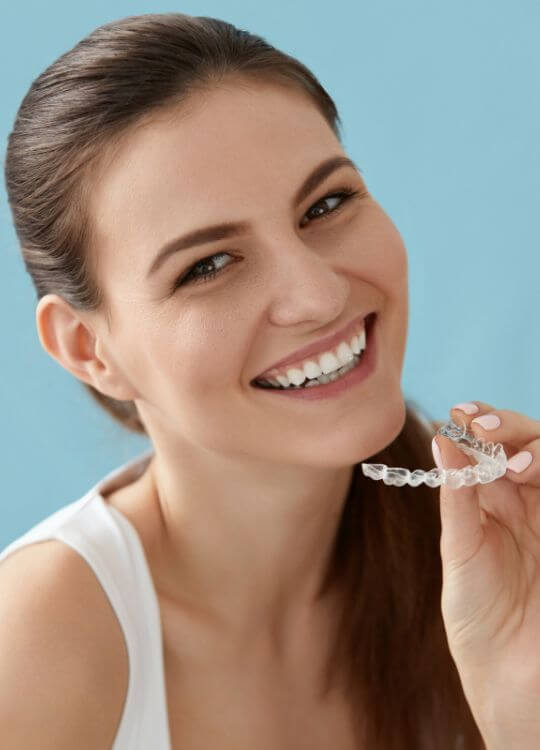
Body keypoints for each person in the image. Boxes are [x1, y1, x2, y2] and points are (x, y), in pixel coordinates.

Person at [0, 13, 496, 750]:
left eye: (327, 205)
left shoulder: (488, 565)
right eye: (207, 265)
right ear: (87, 348)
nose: (320, 295)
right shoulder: (40, 638)